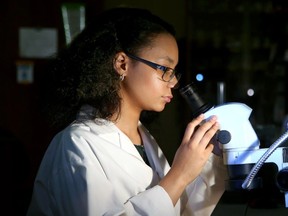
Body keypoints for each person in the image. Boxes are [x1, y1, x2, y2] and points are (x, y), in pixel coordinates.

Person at [27, 7, 227, 216]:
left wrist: (207, 161)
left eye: (174, 71)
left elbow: (175, 210)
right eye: (164, 69)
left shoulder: (144, 140)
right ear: (122, 63)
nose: (174, 83)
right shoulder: (76, 144)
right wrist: (179, 174)